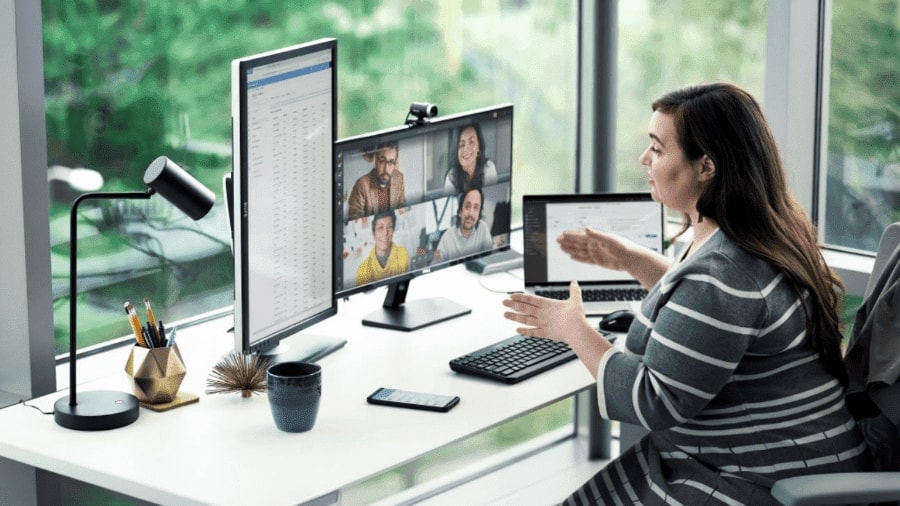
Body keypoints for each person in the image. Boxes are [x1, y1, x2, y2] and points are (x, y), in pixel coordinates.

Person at [502, 82, 870, 505]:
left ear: (706, 168)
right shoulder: (758, 237)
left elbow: (651, 401)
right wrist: (632, 260)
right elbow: (719, 312)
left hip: (764, 480)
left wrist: (572, 328)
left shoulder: (723, 275)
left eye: (657, 149)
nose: (644, 159)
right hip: (796, 458)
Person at [347, 141, 406, 219]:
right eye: (382, 161)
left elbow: (403, 210)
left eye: (391, 162)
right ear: (376, 161)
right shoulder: (361, 184)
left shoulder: (398, 178)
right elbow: (355, 221)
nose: (386, 169)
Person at [435, 188, 493, 260]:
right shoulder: (447, 237)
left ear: (479, 214)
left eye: (476, 208)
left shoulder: (483, 229)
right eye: (467, 207)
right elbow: (436, 262)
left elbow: (490, 257)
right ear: (460, 212)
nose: (471, 213)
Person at [355, 210, 409, 285]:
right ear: (374, 235)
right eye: (380, 228)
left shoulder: (402, 254)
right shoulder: (362, 270)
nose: (385, 233)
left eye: (389, 227)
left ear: (393, 231)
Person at [443, 123, 498, 193]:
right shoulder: (451, 176)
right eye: (461, 145)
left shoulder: (489, 167)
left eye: (471, 142)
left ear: (479, 145)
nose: (466, 149)